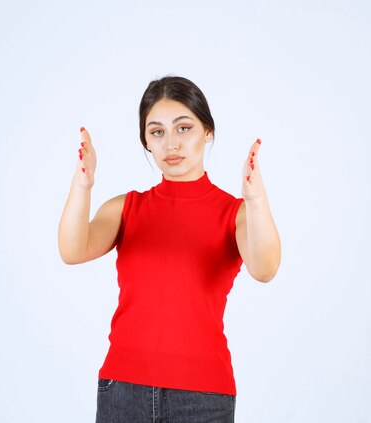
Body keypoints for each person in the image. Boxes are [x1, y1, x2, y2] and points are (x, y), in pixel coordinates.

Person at [58, 76, 281, 422]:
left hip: (203, 397)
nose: (171, 144)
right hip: (122, 390)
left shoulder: (234, 213)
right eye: (157, 132)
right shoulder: (126, 207)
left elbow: (265, 269)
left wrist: (255, 201)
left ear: (207, 131)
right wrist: (83, 185)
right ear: (146, 141)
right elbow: (73, 250)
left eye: (183, 128)